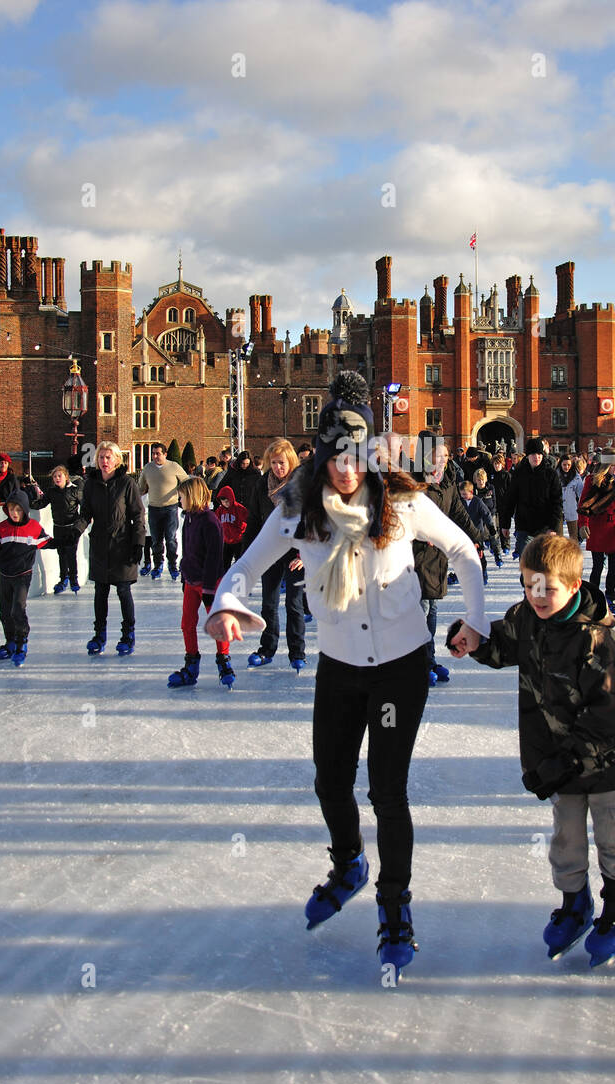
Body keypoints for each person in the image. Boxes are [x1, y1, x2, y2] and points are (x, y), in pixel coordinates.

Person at [205, 372, 487, 979]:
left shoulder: (403, 502)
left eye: (357, 457)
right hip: (338, 666)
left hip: (399, 667)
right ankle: (348, 864)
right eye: (336, 457)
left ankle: (395, 910)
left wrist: (475, 621)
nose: (346, 471)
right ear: (322, 456)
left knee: (387, 790)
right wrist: (227, 605)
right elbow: (246, 566)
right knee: (330, 781)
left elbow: (465, 551)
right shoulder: (296, 508)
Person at [448, 533, 615, 967]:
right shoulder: (528, 617)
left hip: (608, 765)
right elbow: (506, 644)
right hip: (558, 761)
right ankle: (575, 903)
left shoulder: (598, 641)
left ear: (574, 586)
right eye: (528, 585)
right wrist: (475, 641)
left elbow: (607, 715)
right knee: (566, 839)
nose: (536, 596)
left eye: (547, 588)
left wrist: (565, 761)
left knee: (614, 837)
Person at [411, 432, 482, 687]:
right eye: (437, 456)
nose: (442, 460)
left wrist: (477, 536)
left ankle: (427, 660)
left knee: (431, 609)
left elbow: (458, 512)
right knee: (421, 611)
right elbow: (401, 516)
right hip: (415, 556)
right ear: (425, 457)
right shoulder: (414, 481)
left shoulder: (447, 481)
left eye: (445, 456)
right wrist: (421, 535)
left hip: (437, 557)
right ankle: (418, 663)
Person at [245, 438, 308, 671]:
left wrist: (303, 553)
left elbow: (312, 520)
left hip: (295, 551)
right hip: (270, 549)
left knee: (294, 603)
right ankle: (267, 648)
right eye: (273, 463)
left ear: (290, 461)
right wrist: (248, 555)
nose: (278, 468)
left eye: (282, 462)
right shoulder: (263, 485)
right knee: (268, 603)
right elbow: (253, 519)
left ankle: (297, 652)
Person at [168, 477, 235, 688]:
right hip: (191, 580)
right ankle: (191, 664)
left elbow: (214, 557)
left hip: (210, 582)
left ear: (193, 496)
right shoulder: (188, 518)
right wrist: (183, 573)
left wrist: (207, 588)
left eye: (182, 496)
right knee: (187, 624)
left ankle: (224, 661)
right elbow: (187, 550)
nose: (179, 500)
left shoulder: (209, 520)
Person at [80, 442, 146, 656]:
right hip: (100, 545)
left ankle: (128, 634)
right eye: (101, 457)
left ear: (117, 460)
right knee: (100, 592)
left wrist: (138, 543)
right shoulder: (91, 484)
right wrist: (74, 530)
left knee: (123, 590)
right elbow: (85, 514)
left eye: (109, 457)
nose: (105, 461)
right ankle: (99, 635)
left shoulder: (127, 483)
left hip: (123, 544)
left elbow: (138, 514)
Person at [0, 490, 53, 667]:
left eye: (18, 510)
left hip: (22, 576)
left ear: (25, 510)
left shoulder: (33, 528)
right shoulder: (1, 528)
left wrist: (70, 538)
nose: (14, 513)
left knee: (18, 610)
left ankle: (21, 644)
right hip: (5, 575)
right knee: (5, 612)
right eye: (11, 509)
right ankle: (10, 642)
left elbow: (49, 542)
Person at [578, 449, 615, 618]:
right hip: (598, 527)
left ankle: (610, 597)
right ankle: (594, 599)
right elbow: (584, 504)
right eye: (613, 466)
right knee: (597, 566)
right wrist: (583, 524)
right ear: (605, 465)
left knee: (614, 567)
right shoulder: (592, 480)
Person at [499, 436, 562, 558]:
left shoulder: (551, 474)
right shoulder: (519, 473)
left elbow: (557, 502)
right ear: (527, 456)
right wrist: (505, 524)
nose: (536, 457)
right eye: (533, 454)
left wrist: (553, 526)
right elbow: (510, 499)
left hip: (545, 525)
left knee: (543, 563)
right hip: (524, 525)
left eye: (539, 454)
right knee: (526, 563)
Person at [138, 442, 190, 580]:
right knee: (156, 540)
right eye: (153, 454)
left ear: (165, 454)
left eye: (158, 453)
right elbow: (141, 487)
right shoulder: (148, 468)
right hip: (154, 508)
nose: (155, 456)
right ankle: (157, 564)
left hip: (170, 508)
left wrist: (182, 494)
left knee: (171, 539)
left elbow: (186, 482)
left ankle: (173, 565)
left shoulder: (173, 466)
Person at [31, 463, 84, 592]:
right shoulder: (51, 491)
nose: (57, 478)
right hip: (58, 527)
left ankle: (73, 579)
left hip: (72, 528)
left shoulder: (74, 490)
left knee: (71, 553)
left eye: (59, 476)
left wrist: (83, 522)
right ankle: (63, 578)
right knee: (61, 554)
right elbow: (42, 503)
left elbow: (85, 507)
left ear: (66, 477)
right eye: (55, 476)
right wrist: (27, 502)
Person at [459, 478, 497, 582]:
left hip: (477, 532)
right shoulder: (460, 502)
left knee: (478, 552)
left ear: (471, 492)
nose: (463, 496)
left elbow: (486, 514)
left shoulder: (477, 502)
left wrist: (491, 527)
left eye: (465, 494)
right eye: (462, 494)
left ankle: (483, 570)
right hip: (465, 532)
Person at [214, 484, 250, 570]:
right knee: (224, 563)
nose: (225, 503)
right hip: (226, 541)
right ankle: (225, 579)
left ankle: (239, 577)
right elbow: (216, 523)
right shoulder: (220, 511)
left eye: (227, 501)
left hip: (238, 540)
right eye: (223, 501)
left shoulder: (239, 509)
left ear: (231, 498)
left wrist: (243, 531)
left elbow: (248, 521)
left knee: (239, 563)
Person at [558, 453, 585, 542]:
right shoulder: (555, 475)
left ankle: (574, 554)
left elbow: (581, 493)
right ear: (560, 464)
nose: (566, 467)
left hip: (571, 508)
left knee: (574, 536)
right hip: (558, 508)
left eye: (568, 465)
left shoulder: (576, 477)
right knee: (558, 537)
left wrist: (582, 507)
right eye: (564, 465)